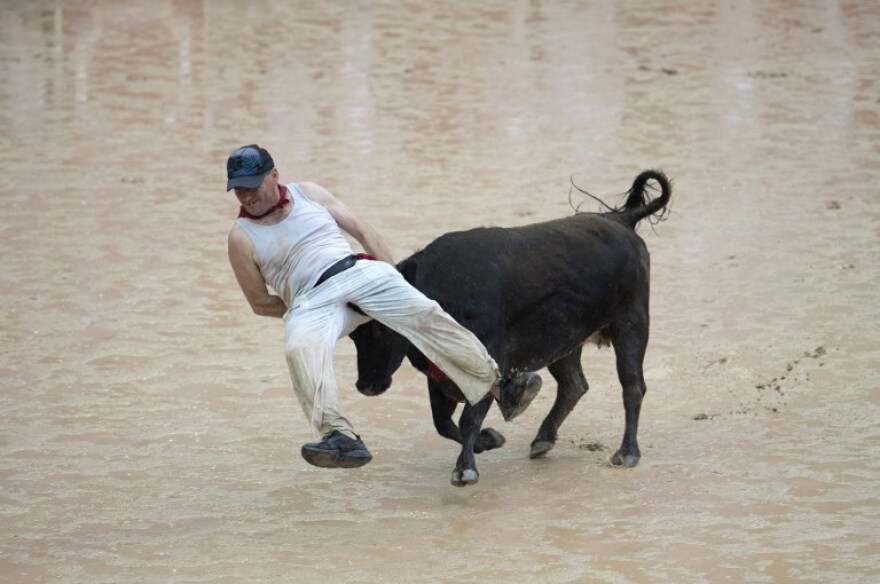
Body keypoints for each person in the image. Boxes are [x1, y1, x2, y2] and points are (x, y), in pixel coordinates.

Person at [225, 144, 542, 469]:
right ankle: (338, 436)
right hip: (309, 299)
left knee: (423, 312)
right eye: (238, 190)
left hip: (355, 270)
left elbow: (362, 230)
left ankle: (501, 386)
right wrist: (302, 311)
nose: (246, 196)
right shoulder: (241, 237)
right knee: (298, 347)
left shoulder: (308, 193)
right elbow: (260, 302)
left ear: (274, 175)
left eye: (251, 186)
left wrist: (395, 277)